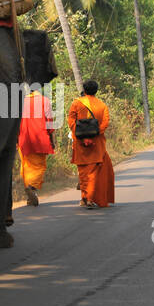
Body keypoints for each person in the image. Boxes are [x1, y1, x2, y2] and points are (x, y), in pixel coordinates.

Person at [67, 80, 114, 209]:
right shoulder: (102, 105)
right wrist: (95, 133)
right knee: (93, 172)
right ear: (96, 91)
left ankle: (85, 197)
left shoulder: (76, 103)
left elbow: (71, 120)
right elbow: (105, 123)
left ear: (85, 90)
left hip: (80, 143)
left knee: (83, 172)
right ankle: (88, 198)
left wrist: (78, 132)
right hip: (96, 143)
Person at [18, 87, 55, 206]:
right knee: (39, 166)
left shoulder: (20, 102)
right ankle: (32, 187)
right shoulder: (45, 101)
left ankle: (30, 196)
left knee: (27, 166)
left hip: (23, 139)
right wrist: (51, 139)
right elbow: (49, 121)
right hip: (40, 138)